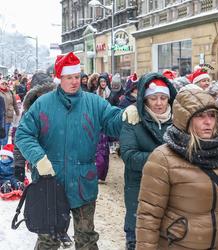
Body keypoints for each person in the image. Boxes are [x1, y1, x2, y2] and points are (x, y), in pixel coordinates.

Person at [15, 52, 138, 250]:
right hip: (49, 183)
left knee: (87, 238)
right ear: (60, 79)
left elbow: (112, 123)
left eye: (76, 77)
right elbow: (23, 134)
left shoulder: (93, 103)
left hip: (83, 183)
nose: (74, 82)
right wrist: (39, 158)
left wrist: (126, 114)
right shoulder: (43, 105)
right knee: (48, 240)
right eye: (68, 77)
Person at [136, 88, 218, 249]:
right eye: (200, 116)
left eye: (212, 115)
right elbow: (149, 217)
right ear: (185, 119)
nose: (208, 122)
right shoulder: (163, 159)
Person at [120, 73, 177, 250]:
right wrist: (165, 160)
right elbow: (129, 156)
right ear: (145, 100)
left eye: (163, 98)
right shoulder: (133, 120)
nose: (159, 103)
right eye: (153, 98)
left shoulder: (178, 122)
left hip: (172, 196)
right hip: (140, 192)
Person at [0, 80, 20, 147]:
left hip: (8, 116)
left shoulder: (10, 92)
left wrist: (18, 113)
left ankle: (4, 151)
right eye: (2, 83)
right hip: (1, 117)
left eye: (6, 83)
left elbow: (15, 104)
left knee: (5, 134)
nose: (4, 85)